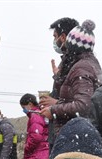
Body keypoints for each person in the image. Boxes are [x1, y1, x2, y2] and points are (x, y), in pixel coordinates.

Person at [39, 20, 102, 138]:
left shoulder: (82, 67)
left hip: (76, 136)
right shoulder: (86, 64)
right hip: (77, 133)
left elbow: (83, 105)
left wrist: (54, 110)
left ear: (71, 45)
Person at [45, 17, 79, 148]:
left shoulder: (76, 63)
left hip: (69, 134)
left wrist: (55, 104)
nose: (54, 41)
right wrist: (58, 77)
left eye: (55, 36)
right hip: (61, 132)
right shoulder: (66, 61)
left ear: (63, 37)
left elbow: (83, 104)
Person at [19, 93, 49, 159]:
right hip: (44, 155)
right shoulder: (42, 113)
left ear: (30, 104)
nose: (24, 110)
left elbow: (36, 137)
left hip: (37, 158)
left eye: (23, 107)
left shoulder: (35, 116)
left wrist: (27, 148)